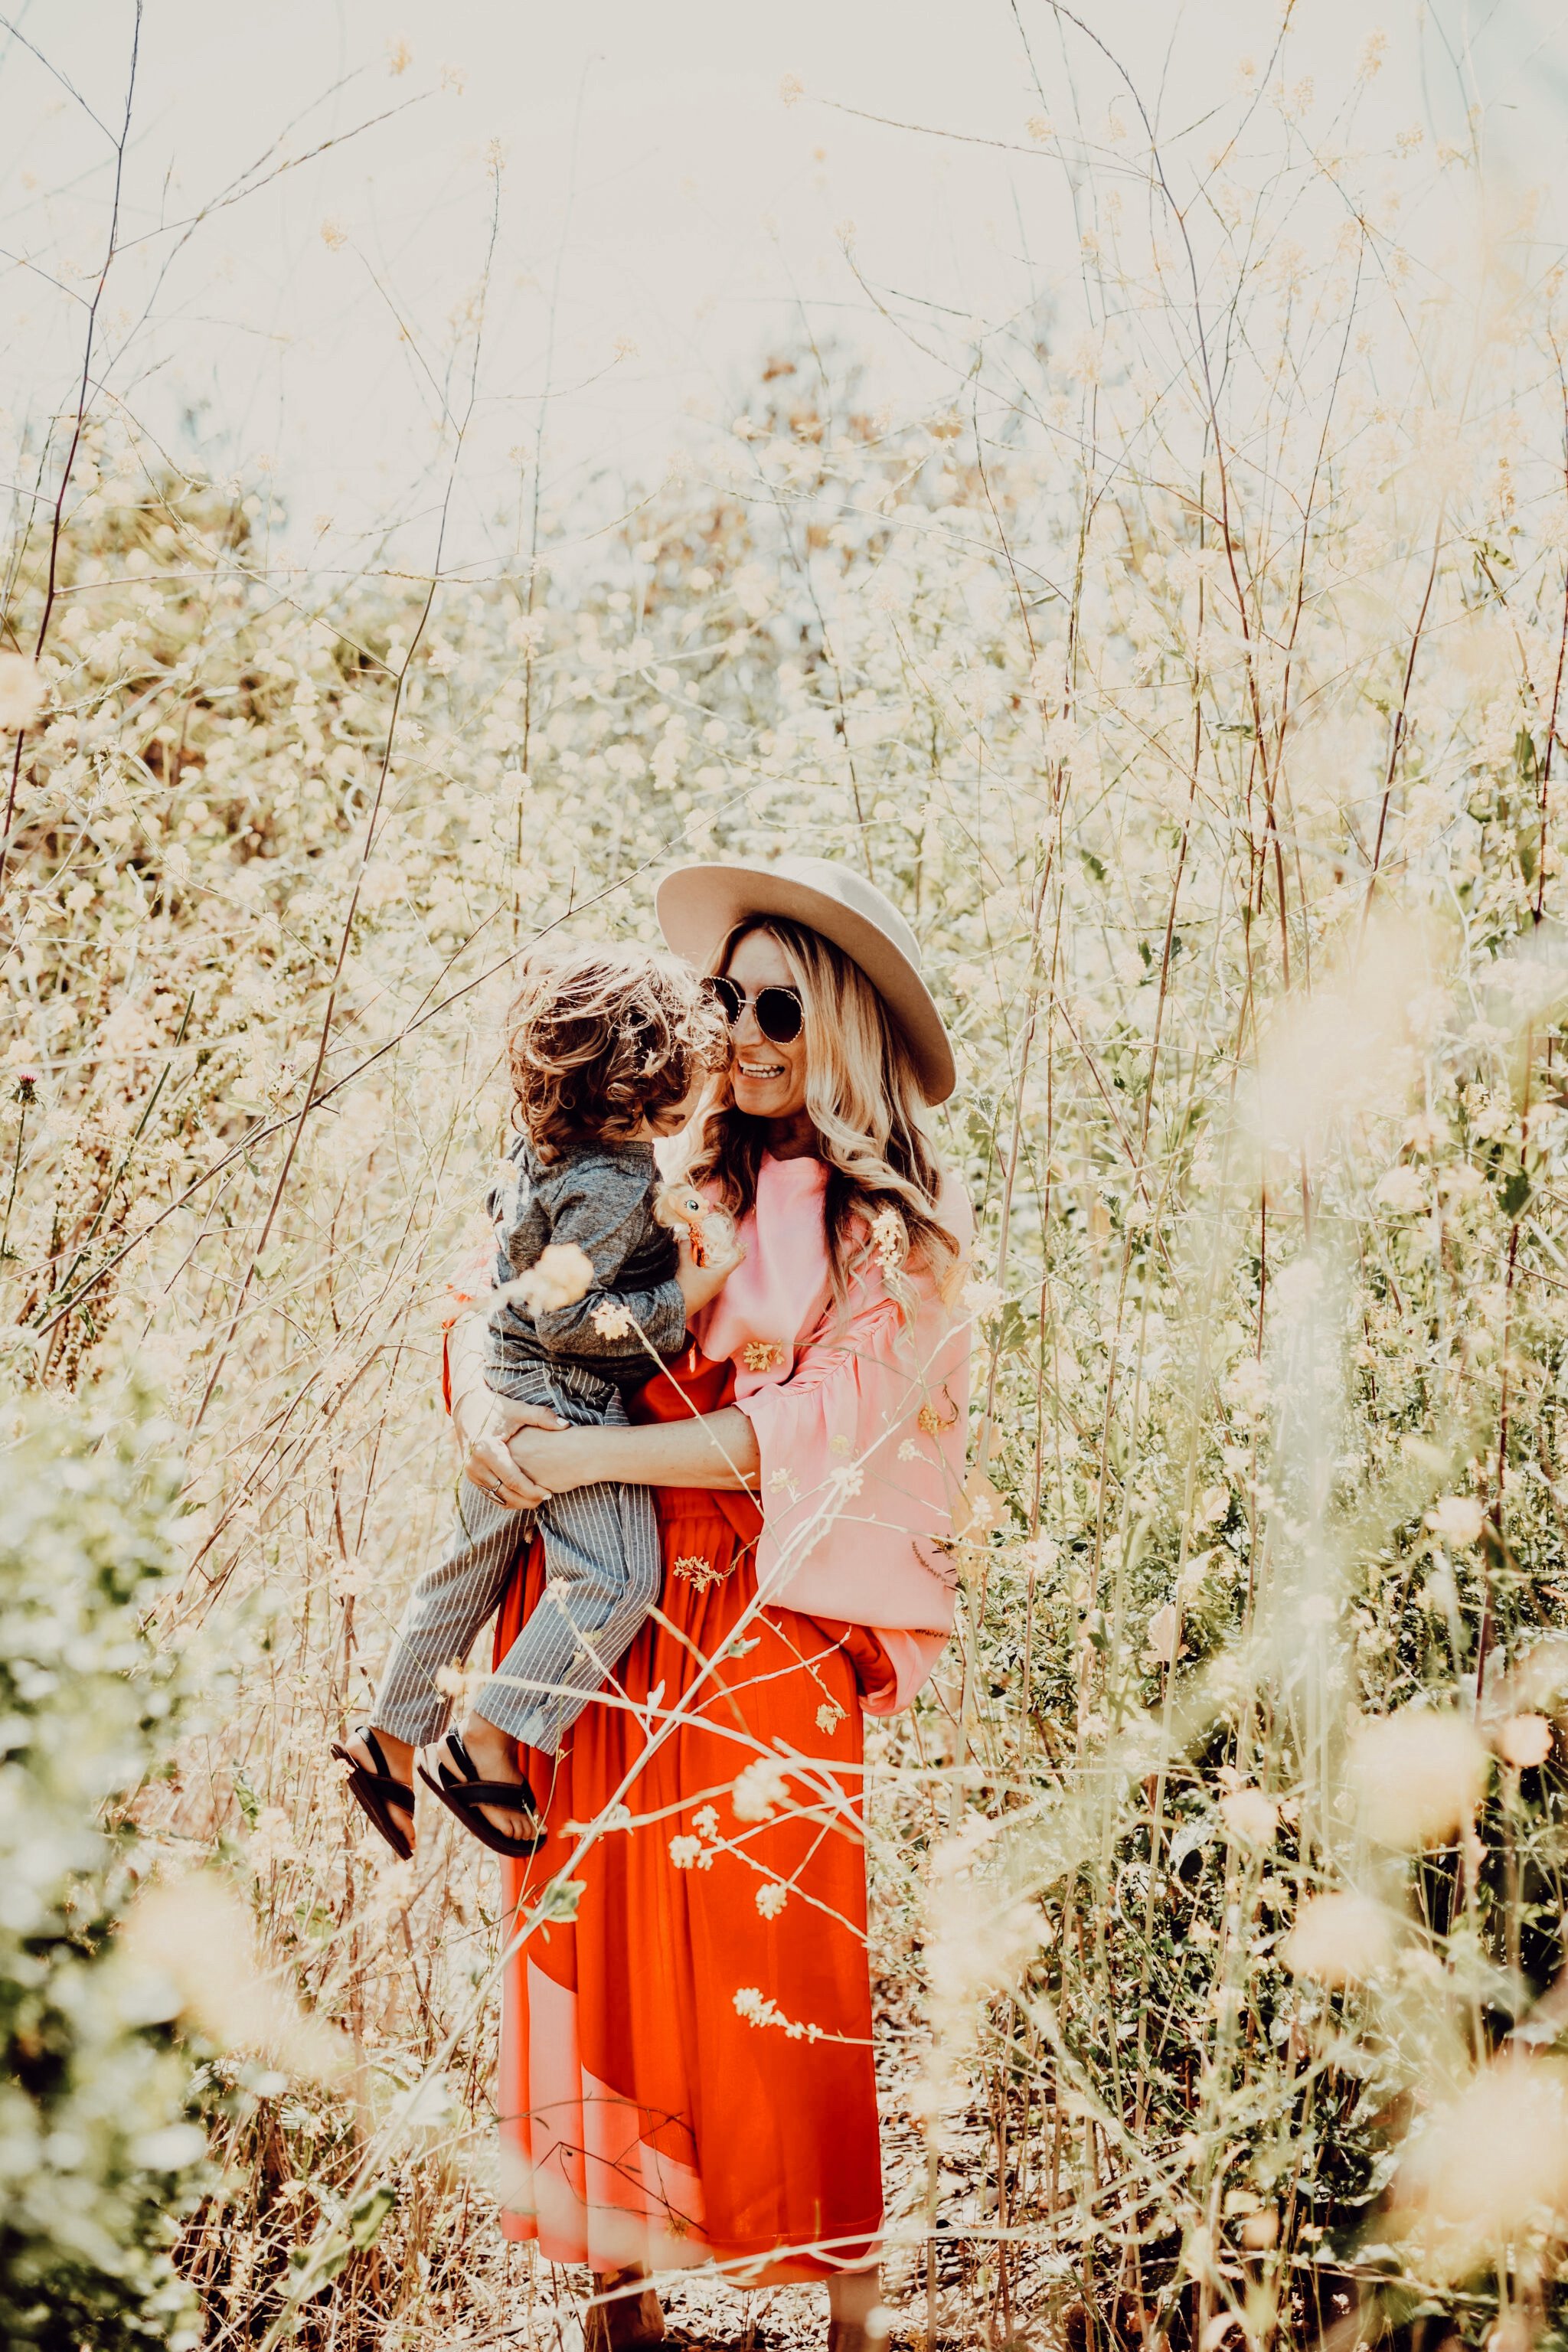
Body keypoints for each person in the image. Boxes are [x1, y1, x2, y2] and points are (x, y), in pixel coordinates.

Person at [444, 856, 972, 2352]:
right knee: (594, 1941)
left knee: (786, 1966)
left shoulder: (880, 1226)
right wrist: (492, 1412)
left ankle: (853, 2324)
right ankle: (623, 2314)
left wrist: (576, 1448)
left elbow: (799, 1428)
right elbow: (496, 1305)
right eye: (719, 997)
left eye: (776, 1004)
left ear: (843, 1030)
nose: (736, 1028)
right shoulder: (657, 1170)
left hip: (760, 1618)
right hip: (597, 1602)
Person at [335, 943, 733, 1861]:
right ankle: (489, 1739)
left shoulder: (549, 1144)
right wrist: (689, 1298)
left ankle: (388, 1736)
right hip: (567, 1392)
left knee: (472, 1558)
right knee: (617, 1578)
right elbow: (575, 1319)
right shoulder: (614, 1176)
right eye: (681, 1088)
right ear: (638, 1093)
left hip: (510, 1374)